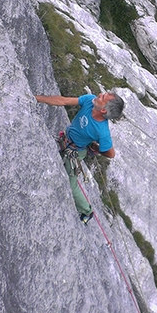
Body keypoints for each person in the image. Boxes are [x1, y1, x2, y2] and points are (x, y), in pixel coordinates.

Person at [36, 91, 124, 224]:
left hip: (75, 152)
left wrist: (96, 148)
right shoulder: (89, 100)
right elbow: (63, 101)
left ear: (104, 110)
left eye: (102, 97)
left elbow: (111, 154)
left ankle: (87, 211)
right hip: (65, 139)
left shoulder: (102, 131)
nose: (99, 94)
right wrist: (38, 98)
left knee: (71, 184)